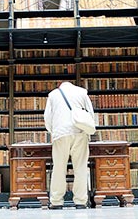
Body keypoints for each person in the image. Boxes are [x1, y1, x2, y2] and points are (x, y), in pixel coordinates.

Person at [44, 81, 94, 210]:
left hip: (60, 133)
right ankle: (81, 201)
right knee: (81, 167)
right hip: (80, 132)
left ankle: (56, 201)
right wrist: (88, 131)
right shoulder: (82, 92)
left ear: (60, 86)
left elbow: (47, 118)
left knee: (59, 168)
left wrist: (53, 132)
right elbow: (90, 114)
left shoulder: (53, 95)